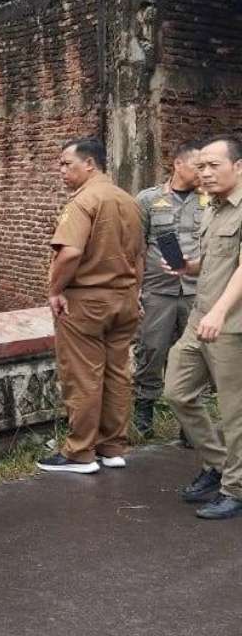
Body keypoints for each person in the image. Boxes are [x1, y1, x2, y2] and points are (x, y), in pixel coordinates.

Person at [39, 138, 144, 474]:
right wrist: (134, 292)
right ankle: (112, 447)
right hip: (124, 299)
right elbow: (139, 256)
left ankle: (79, 452)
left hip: (87, 301)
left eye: (66, 163)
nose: (61, 171)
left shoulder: (84, 201)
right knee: (118, 374)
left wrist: (56, 290)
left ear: (90, 165)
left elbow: (69, 252)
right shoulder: (128, 200)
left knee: (83, 376)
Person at [163, 135, 242, 520]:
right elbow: (216, 263)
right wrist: (186, 267)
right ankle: (219, 465)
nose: (205, 173)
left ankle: (236, 489)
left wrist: (220, 312)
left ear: (238, 167)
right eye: (201, 166)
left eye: (214, 165)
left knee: (235, 411)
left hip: (231, 325)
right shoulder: (212, 208)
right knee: (177, 392)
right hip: (201, 317)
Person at [133, 141, 208, 437]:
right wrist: (135, 292)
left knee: (194, 357)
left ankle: (189, 427)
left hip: (195, 292)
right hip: (158, 292)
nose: (203, 172)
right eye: (198, 166)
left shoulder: (209, 200)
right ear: (178, 164)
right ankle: (144, 414)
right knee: (151, 351)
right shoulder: (148, 200)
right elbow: (137, 249)